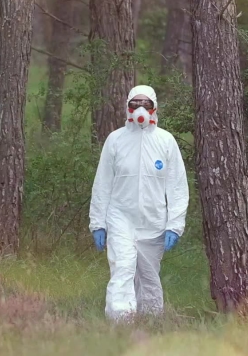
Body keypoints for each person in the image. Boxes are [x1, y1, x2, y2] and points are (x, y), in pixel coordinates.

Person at [89, 84, 190, 321]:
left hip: (153, 220)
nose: (140, 109)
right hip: (120, 217)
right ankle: (121, 322)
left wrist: (174, 225)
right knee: (123, 267)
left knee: (148, 275)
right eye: (135, 104)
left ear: (154, 108)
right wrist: (98, 223)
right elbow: (102, 183)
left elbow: (177, 186)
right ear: (128, 108)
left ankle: (151, 321)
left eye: (146, 104)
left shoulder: (166, 141)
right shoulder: (115, 140)